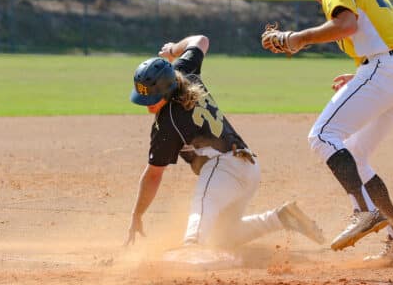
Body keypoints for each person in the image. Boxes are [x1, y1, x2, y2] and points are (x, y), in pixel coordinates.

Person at [261, 0, 393, 266]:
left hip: (386, 69)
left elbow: (345, 25)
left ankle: (364, 210)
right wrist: (364, 72)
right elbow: (387, 40)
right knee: (355, 154)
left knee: (322, 135)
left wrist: (295, 39)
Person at [125, 34, 325, 252]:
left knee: (202, 202)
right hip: (247, 166)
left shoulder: (167, 123)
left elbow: (153, 175)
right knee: (223, 237)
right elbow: (201, 40)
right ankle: (280, 218)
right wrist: (174, 49)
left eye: (153, 98)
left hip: (223, 168)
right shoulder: (183, 74)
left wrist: (137, 215)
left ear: (167, 89)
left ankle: (191, 247)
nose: (148, 105)